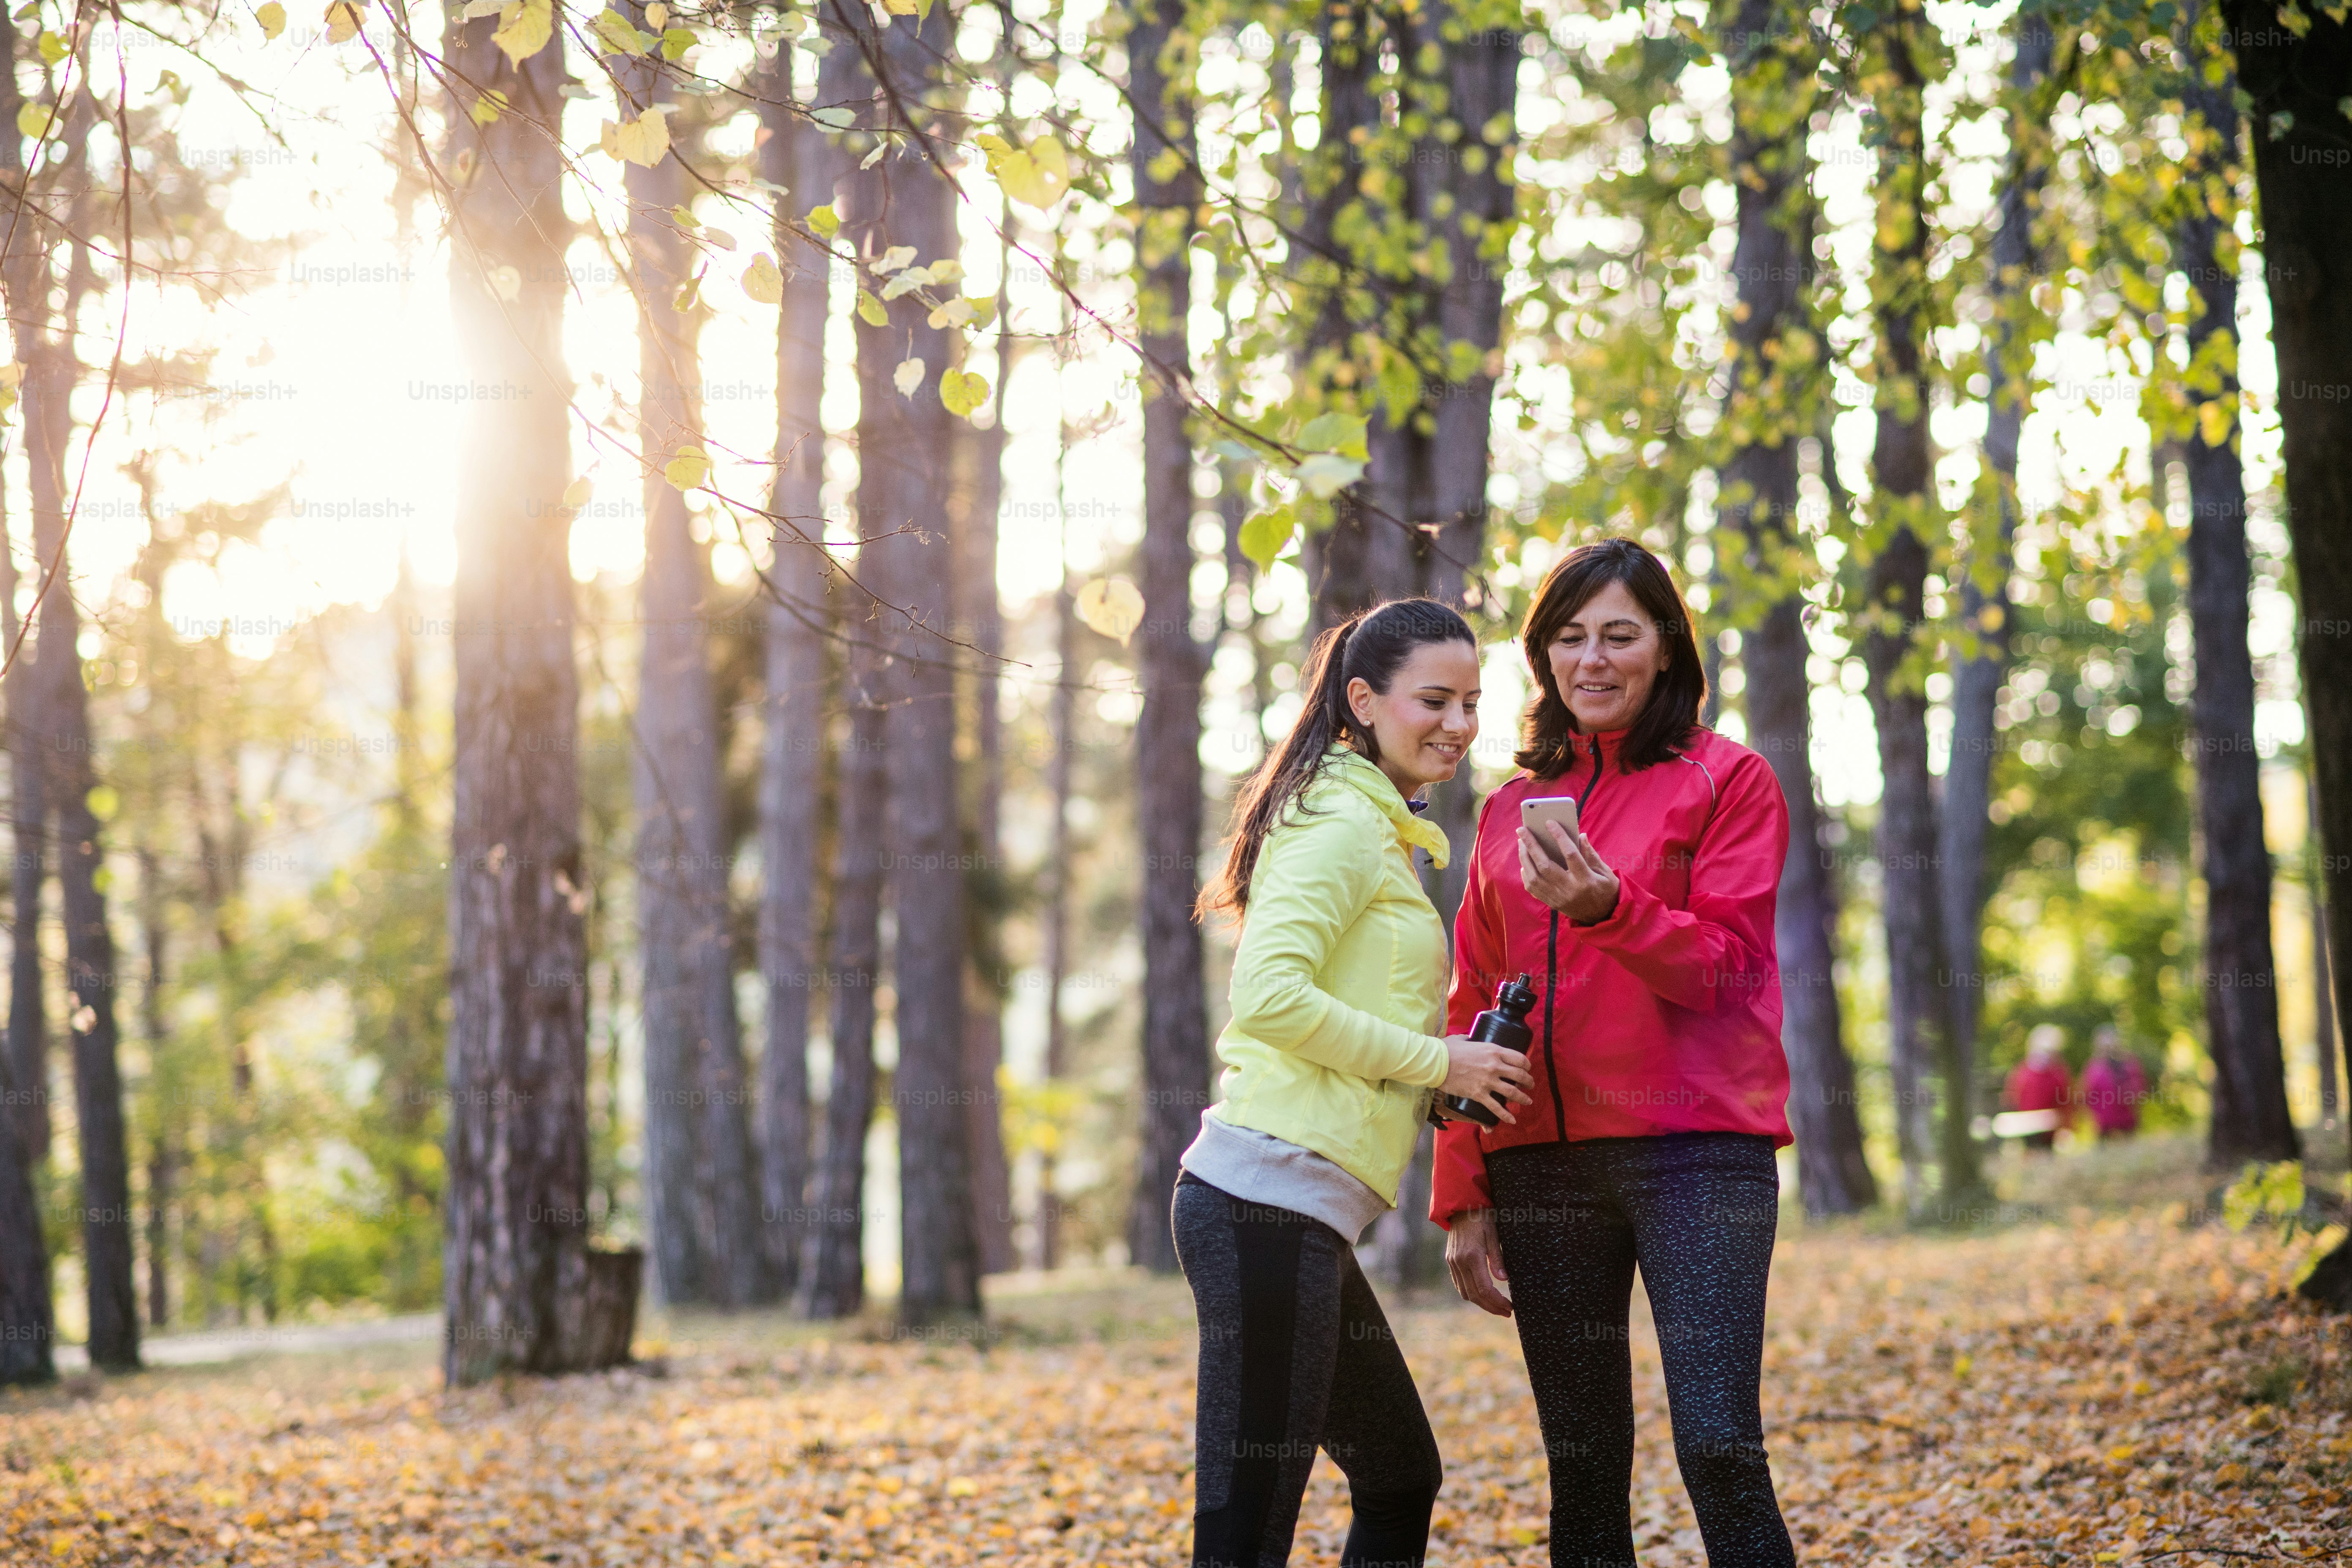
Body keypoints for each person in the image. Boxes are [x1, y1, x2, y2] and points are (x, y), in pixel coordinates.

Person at [1435, 538, 1799, 1568]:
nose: (1592, 659)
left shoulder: (1726, 779)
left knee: (1721, 1447)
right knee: (1583, 1470)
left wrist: (1607, 909)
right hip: (1540, 1164)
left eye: (1618, 635)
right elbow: (1471, 997)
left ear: (1665, 647)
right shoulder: (1510, 808)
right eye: (1568, 637)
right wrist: (1464, 1188)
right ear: (1544, 656)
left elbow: (1728, 974)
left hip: (1695, 1155)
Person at [1177, 598, 1536, 1568]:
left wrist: (1434, 1084)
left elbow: (1342, 1018)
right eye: (1434, 700)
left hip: (1304, 1211)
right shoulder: (1337, 818)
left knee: (1397, 1477)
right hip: (1261, 1204)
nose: (1458, 725)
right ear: (1364, 701)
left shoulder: (1381, 826)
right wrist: (1437, 1061)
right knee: (1244, 1531)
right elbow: (1267, 1001)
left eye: (1471, 702)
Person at [2004, 1024, 2075, 1151]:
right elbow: (2013, 1099)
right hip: (2027, 1129)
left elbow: (2066, 1101)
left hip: (2051, 1130)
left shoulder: (2059, 1073)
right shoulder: (2022, 1072)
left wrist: (2066, 1127)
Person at [2079, 1024, 2146, 1140]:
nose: (2108, 1045)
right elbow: (2085, 1093)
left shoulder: (2129, 1063)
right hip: (2104, 1124)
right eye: (2104, 1041)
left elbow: (2139, 1088)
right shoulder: (2094, 1067)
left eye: (2111, 1040)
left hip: (2127, 1121)